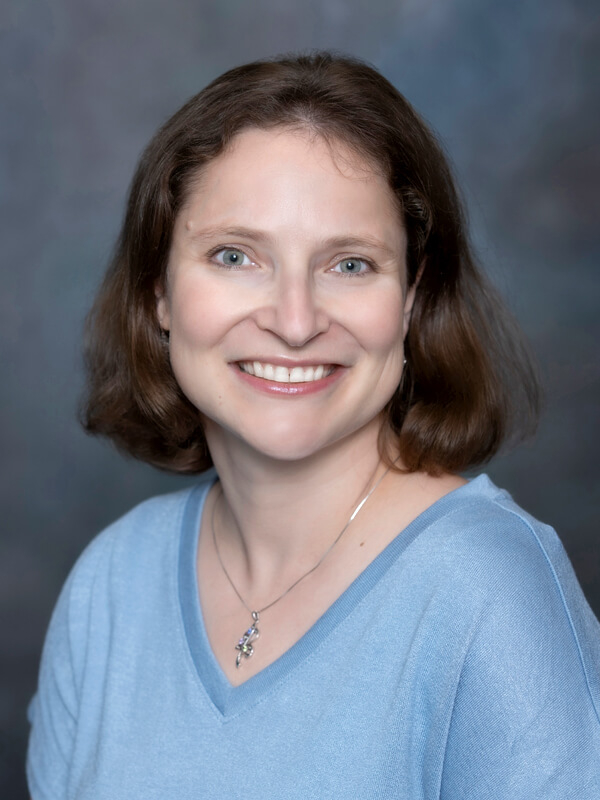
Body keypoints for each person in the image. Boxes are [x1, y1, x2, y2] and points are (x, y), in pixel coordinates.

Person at [27, 52, 600, 799]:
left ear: (412, 299)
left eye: (350, 265)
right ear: (159, 292)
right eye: (235, 256)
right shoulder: (111, 583)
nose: (294, 322)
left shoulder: (489, 592)